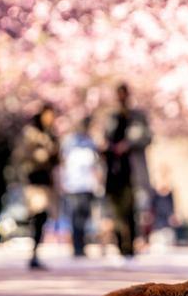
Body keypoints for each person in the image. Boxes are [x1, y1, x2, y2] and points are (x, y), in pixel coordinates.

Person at [103, 83, 152, 258]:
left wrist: (128, 144)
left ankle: (130, 246)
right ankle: (120, 245)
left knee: (131, 208)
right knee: (116, 209)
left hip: (132, 171)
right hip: (114, 171)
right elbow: (106, 138)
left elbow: (147, 137)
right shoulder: (111, 117)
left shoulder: (138, 117)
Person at [12, 104, 60, 269]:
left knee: (43, 217)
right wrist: (41, 154)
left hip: (47, 181)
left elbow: (57, 156)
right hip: (34, 180)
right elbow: (22, 155)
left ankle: (36, 252)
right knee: (37, 215)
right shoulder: (31, 133)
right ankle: (33, 253)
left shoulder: (52, 134)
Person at [60, 116, 101, 257]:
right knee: (75, 216)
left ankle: (82, 245)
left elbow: (96, 165)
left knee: (84, 216)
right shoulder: (69, 142)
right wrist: (62, 181)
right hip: (73, 185)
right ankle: (77, 246)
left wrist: (97, 182)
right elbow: (63, 163)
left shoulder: (91, 142)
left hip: (87, 185)